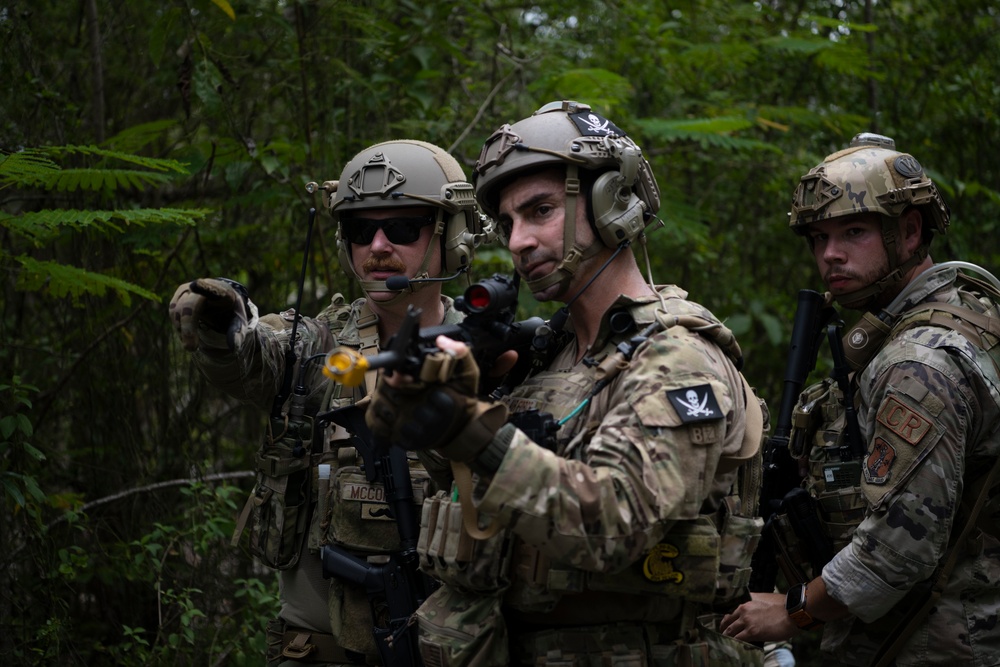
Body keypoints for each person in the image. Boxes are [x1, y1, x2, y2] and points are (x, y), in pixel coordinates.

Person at [365, 100, 767, 666]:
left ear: (611, 204)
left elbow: (615, 522)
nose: (518, 241)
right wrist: (435, 416)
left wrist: (471, 431)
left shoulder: (677, 360)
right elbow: (489, 498)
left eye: (541, 211)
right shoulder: (547, 355)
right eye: (507, 224)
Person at [168, 139, 488, 665]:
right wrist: (217, 320)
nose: (379, 246)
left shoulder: (489, 353)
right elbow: (249, 355)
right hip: (316, 651)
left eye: (403, 228)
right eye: (362, 230)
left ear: (451, 237)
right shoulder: (314, 345)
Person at [720, 133, 1000, 665]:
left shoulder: (918, 362)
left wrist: (794, 609)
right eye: (819, 237)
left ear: (910, 231)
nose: (830, 254)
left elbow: (902, 545)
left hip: (933, 644)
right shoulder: (961, 316)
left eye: (853, 231)